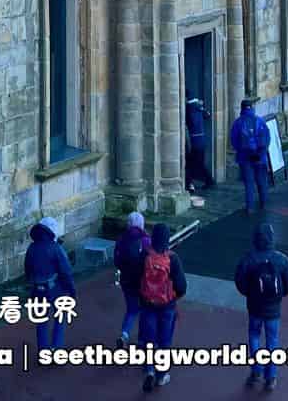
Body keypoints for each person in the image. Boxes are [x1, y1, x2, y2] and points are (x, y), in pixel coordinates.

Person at [233, 222, 288, 391]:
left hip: (254, 307)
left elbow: (240, 283)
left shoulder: (248, 259)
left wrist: (250, 294)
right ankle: (271, 377)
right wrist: (278, 297)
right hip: (273, 309)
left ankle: (256, 371)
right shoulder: (282, 259)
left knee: (254, 336)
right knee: (272, 340)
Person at [137, 222, 187, 392]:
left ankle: (149, 370)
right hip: (167, 305)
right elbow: (182, 286)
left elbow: (136, 278)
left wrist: (141, 295)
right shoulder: (173, 258)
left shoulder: (144, 256)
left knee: (148, 338)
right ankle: (161, 375)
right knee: (164, 341)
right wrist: (173, 297)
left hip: (147, 303)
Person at [23, 216, 75, 350]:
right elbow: (66, 271)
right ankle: (56, 347)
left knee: (41, 321)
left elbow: (28, 270)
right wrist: (72, 290)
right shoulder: (56, 248)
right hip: (56, 289)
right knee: (60, 317)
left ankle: (43, 351)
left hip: (37, 290)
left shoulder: (31, 248)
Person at [229, 99, 272, 213]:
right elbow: (267, 138)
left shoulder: (238, 123)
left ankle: (250, 207)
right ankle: (264, 204)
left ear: (241, 109)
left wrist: (241, 151)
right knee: (261, 181)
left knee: (249, 183)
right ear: (252, 108)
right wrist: (262, 151)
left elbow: (233, 141)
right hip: (260, 156)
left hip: (245, 157)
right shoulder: (260, 120)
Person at [114, 211, 150, 343]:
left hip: (126, 281)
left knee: (131, 310)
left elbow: (117, 261)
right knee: (145, 311)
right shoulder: (146, 241)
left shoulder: (121, 239)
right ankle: (142, 339)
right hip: (142, 282)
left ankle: (124, 334)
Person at [185, 98, 215, 192]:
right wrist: (201, 107)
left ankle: (190, 184)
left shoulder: (189, 111)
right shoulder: (198, 110)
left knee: (191, 165)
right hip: (201, 141)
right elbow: (208, 115)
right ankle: (206, 181)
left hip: (194, 142)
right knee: (196, 164)